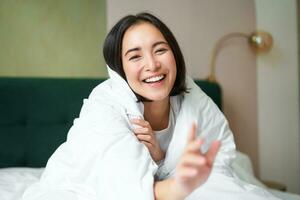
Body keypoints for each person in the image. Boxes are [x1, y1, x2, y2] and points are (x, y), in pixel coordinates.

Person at [23, 13, 280, 200]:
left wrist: (159, 158)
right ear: (119, 69)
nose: (152, 65)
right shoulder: (105, 106)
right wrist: (178, 183)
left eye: (160, 50)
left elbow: (219, 156)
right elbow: (123, 186)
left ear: (174, 54)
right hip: (81, 181)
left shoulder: (192, 96)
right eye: (135, 56)